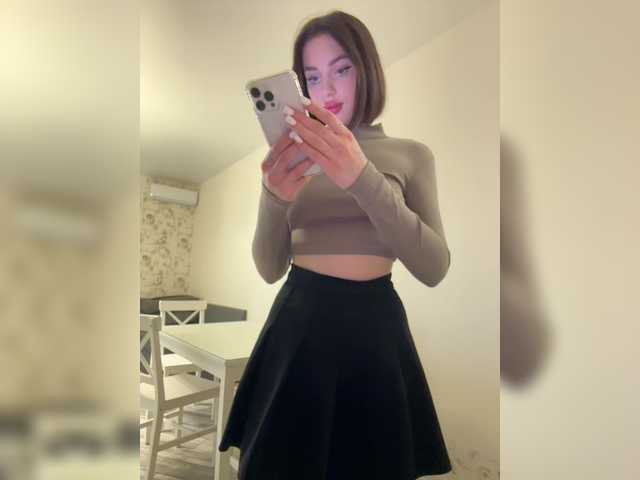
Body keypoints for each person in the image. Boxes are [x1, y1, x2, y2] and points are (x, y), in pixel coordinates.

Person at [218, 10, 452, 480]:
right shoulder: (292, 154)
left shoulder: (411, 155)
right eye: (312, 76)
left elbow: (434, 267)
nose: (327, 89)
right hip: (298, 319)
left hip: (375, 325)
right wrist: (273, 196)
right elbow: (268, 267)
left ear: (367, 70)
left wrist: (361, 176)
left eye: (341, 69)